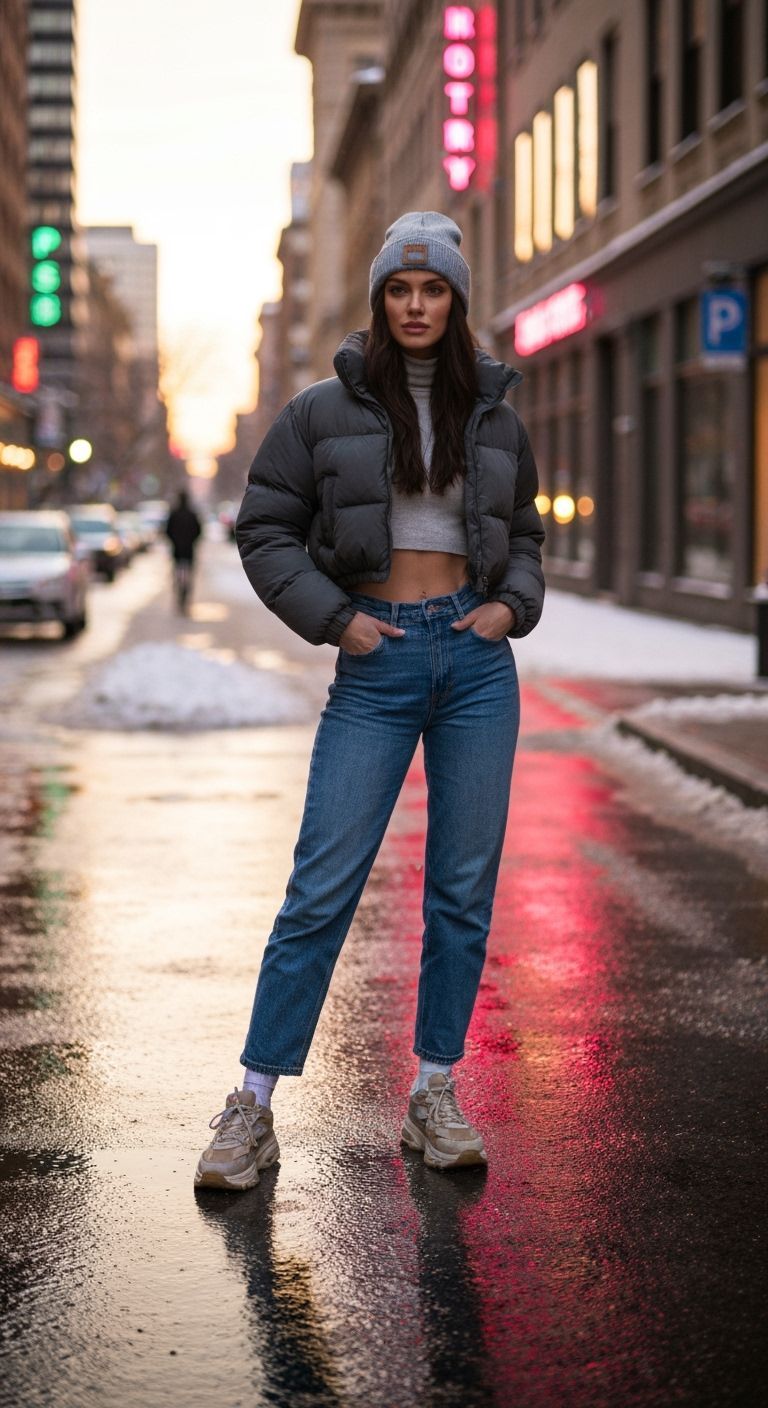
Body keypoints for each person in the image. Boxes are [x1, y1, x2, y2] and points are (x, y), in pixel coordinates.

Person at [195, 212, 545, 1190]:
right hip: (378, 659)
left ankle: (433, 1090)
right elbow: (264, 526)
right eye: (401, 289)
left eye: (434, 291)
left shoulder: (498, 413)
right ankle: (252, 1106)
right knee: (321, 886)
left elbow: (525, 532)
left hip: (476, 664)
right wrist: (336, 620)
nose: (418, 305)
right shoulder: (321, 411)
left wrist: (512, 605)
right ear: (382, 301)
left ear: (457, 302)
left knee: (462, 890)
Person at [165, 489, 201, 612]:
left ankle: (180, 594)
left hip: (177, 551)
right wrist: (191, 541)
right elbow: (198, 531)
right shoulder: (192, 514)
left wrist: (175, 542)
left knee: (178, 573)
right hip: (188, 551)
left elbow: (167, 531)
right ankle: (185, 595)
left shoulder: (174, 514)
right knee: (188, 575)